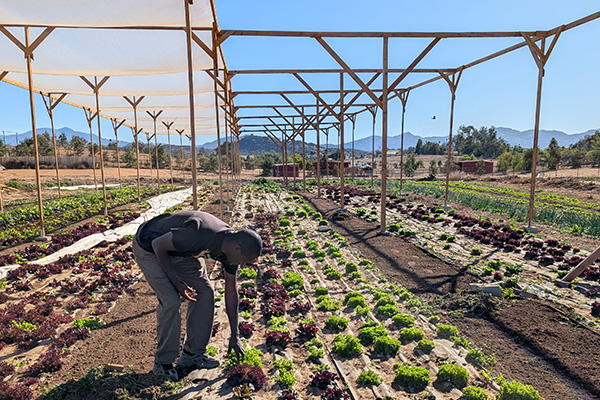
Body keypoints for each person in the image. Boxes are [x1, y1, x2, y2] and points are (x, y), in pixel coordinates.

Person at [132, 210, 262, 381]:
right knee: (171, 301)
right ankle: (162, 364)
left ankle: (192, 355)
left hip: (181, 252)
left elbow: (231, 292)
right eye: (243, 260)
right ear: (237, 248)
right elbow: (158, 245)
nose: (242, 265)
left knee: (205, 293)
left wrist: (234, 335)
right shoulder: (201, 232)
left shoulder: (231, 252)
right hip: (149, 246)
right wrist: (178, 284)